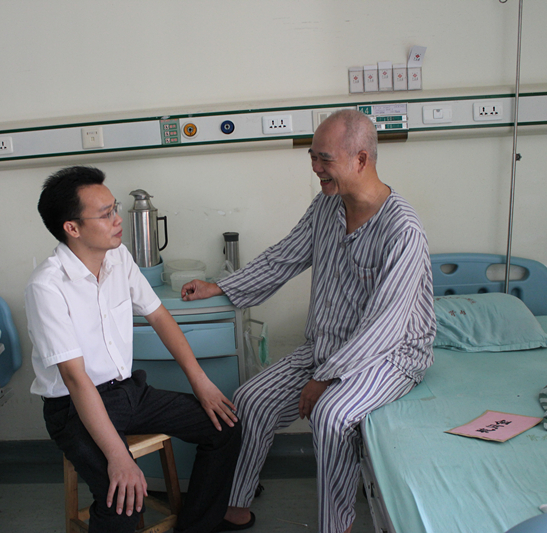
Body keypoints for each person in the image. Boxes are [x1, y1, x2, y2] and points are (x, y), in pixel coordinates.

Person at [182, 109, 436, 533]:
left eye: (324, 159)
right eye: (313, 158)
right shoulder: (327, 206)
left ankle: (336, 526)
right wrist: (220, 287)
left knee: (331, 416)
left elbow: (385, 325)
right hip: (326, 344)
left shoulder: (402, 230)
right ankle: (237, 505)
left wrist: (325, 378)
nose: (316, 168)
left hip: (390, 355)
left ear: (360, 159)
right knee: (250, 399)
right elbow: (284, 257)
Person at [25, 166, 242, 533]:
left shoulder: (118, 257)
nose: (117, 219)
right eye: (105, 214)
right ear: (72, 228)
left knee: (224, 427)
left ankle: (195, 526)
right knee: (123, 499)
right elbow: (75, 379)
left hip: (127, 393)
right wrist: (119, 458)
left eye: (115, 208)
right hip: (74, 408)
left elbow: (158, 316)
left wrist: (201, 382)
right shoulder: (47, 286)